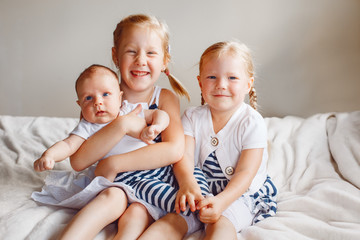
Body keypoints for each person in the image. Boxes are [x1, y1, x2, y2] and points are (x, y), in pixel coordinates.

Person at [43, 14, 209, 240]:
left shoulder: (165, 98)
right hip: (115, 183)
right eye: (132, 51)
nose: (141, 60)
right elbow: (78, 160)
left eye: (151, 53)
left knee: (136, 215)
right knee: (111, 198)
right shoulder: (101, 96)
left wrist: (114, 162)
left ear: (164, 60)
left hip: (153, 179)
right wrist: (121, 125)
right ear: (115, 55)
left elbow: (173, 150)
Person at [141, 41, 278, 240]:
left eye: (232, 78)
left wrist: (222, 202)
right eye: (212, 77)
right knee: (171, 221)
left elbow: (245, 173)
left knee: (220, 222)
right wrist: (188, 184)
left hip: (239, 193)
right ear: (200, 82)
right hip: (199, 188)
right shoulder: (191, 117)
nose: (221, 84)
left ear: (248, 84)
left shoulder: (251, 122)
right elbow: (183, 156)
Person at [33, 64, 169, 173]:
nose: (97, 102)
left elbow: (159, 114)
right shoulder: (88, 126)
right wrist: (49, 155)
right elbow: (68, 145)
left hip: (149, 169)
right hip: (116, 175)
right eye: (88, 98)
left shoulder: (128, 110)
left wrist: (157, 126)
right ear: (80, 105)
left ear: (119, 97)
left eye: (105, 94)